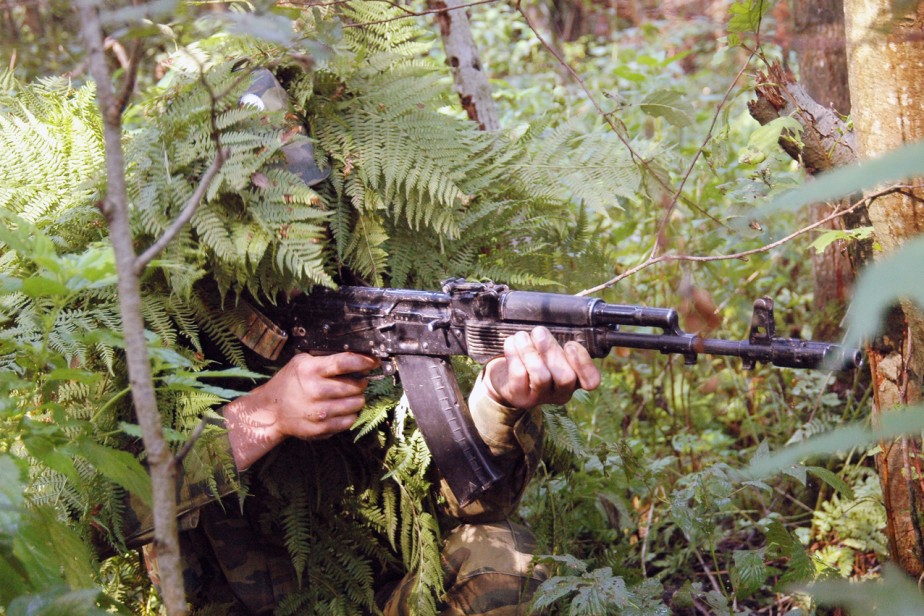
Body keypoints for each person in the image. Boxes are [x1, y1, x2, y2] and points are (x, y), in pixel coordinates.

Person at [127, 69, 602, 615]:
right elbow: (100, 515)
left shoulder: (359, 302)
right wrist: (265, 415)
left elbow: (469, 505)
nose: (294, 223)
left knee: (500, 555)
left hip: (372, 597)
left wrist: (498, 401)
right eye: (262, 208)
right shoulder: (155, 330)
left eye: (304, 199)